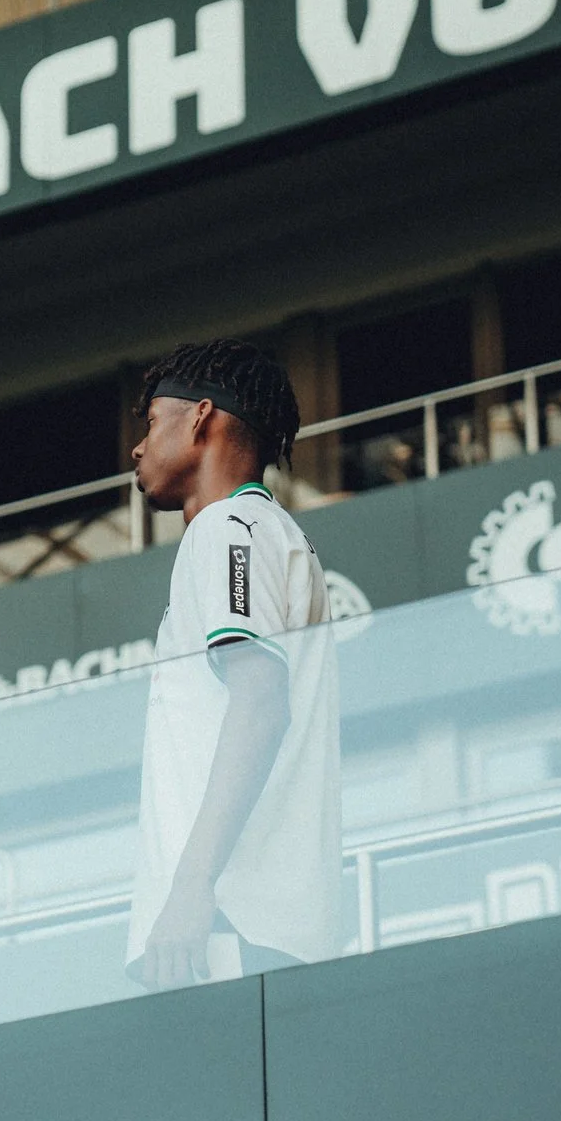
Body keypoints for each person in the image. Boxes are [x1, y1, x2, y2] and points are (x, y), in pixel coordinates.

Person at [126, 340, 342, 988]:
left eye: (152, 422)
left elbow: (259, 700)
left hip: (229, 929)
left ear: (201, 417)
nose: (138, 447)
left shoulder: (229, 528)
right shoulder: (261, 529)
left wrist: (193, 888)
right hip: (248, 930)